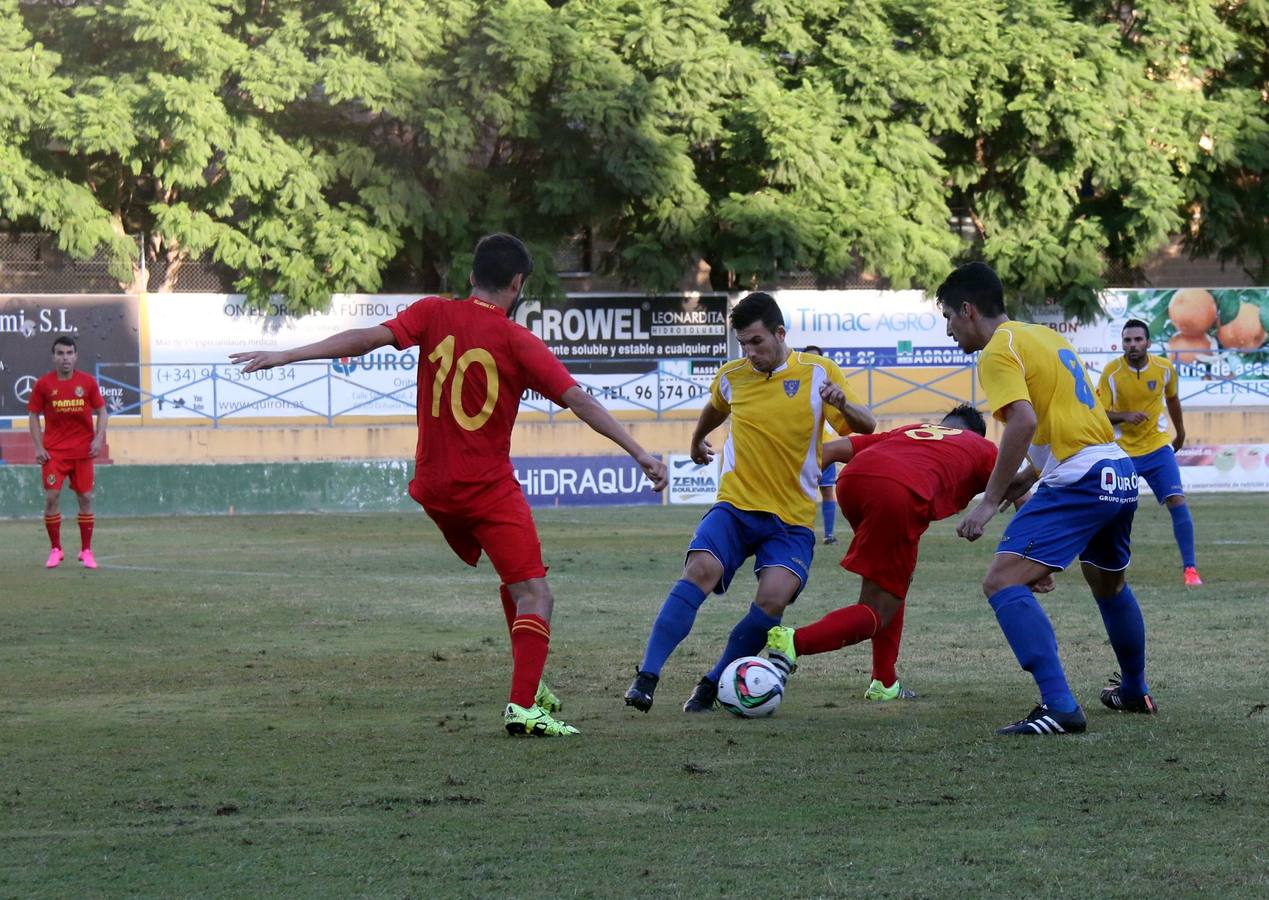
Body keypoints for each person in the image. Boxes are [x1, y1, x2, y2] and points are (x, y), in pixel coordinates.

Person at [231, 233, 668, 737]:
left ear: (470, 278)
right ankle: (523, 707)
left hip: (434, 487)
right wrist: (639, 452)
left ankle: (533, 683)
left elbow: (366, 339)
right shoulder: (516, 341)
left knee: (515, 582)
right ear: (517, 283)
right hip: (483, 488)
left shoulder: (432, 313)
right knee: (537, 596)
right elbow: (580, 401)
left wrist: (286, 355)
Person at [624, 292, 875, 714]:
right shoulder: (732, 376)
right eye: (743, 343)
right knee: (699, 570)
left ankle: (714, 680)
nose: (750, 352)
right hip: (736, 507)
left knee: (773, 599)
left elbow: (865, 428)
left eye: (757, 341)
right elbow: (714, 407)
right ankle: (647, 676)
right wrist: (694, 438)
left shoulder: (818, 374)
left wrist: (843, 403)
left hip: (791, 519)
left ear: (780, 334)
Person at [937, 262, 1156, 736]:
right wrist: (1022, 484)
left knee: (1001, 582)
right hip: (1116, 471)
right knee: (1108, 586)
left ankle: (1059, 706)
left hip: (1081, 477)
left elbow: (1022, 422)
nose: (949, 329)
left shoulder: (996, 351)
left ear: (969, 310)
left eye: (949, 317)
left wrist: (990, 501)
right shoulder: (1043, 337)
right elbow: (1061, 428)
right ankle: (1135, 689)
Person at [765, 405, 1012, 702]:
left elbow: (829, 451)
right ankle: (793, 642)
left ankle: (884, 681)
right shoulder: (982, 447)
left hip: (852, 483)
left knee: (892, 583)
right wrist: (1035, 559)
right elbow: (1022, 494)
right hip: (898, 494)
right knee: (877, 611)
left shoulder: (910, 432)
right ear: (974, 433)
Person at [1097, 319, 1202, 585]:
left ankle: (1190, 570)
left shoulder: (1164, 369)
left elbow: (1173, 400)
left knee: (1177, 500)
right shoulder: (1111, 372)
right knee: (1112, 509)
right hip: (1122, 453)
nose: (1132, 345)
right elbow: (1100, 415)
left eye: (1137, 340)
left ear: (1148, 343)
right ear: (1122, 343)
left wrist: (1181, 433)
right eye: (1127, 340)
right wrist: (1125, 416)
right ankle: (1107, 566)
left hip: (1157, 447)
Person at [28, 336, 108, 570]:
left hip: (83, 451)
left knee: (85, 498)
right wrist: (39, 446)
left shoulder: (88, 382)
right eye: (60, 353)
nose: (65, 358)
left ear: (76, 356)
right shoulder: (44, 385)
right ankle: (56, 549)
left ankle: (86, 551)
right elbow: (33, 415)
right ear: (53, 357)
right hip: (54, 453)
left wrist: (98, 438)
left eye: (69, 353)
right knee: (52, 496)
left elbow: (102, 411)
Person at [802, 345, 840, 545]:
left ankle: (829, 534)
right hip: (797, 450)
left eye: (817, 359)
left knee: (827, 490)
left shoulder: (828, 387)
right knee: (796, 491)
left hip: (824, 447)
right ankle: (796, 533)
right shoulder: (793, 386)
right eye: (808, 359)